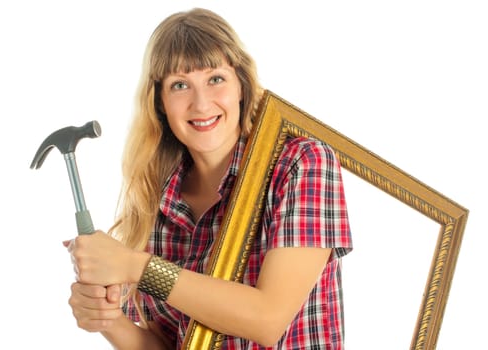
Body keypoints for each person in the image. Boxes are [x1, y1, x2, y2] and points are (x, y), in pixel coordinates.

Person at [64, 7, 353, 350]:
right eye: (180, 85)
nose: (201, 104)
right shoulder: (156, 200)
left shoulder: (301, 163)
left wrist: (134, 266)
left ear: (241, 86)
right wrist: (108, 319)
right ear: (160, 103)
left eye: (215, 78)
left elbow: (268, 319)